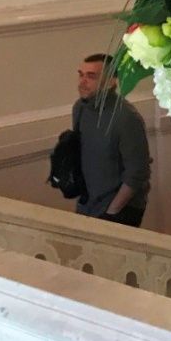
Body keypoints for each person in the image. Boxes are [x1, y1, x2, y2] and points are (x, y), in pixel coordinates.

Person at [72, 54, 151, 227]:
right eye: (81, 74)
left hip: (120, 208)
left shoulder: (126, 118)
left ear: (111, 82)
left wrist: (112, 211)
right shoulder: (80, 108)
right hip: (88, 203)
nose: (82, 82)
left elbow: (138, 173)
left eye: (91, 76)